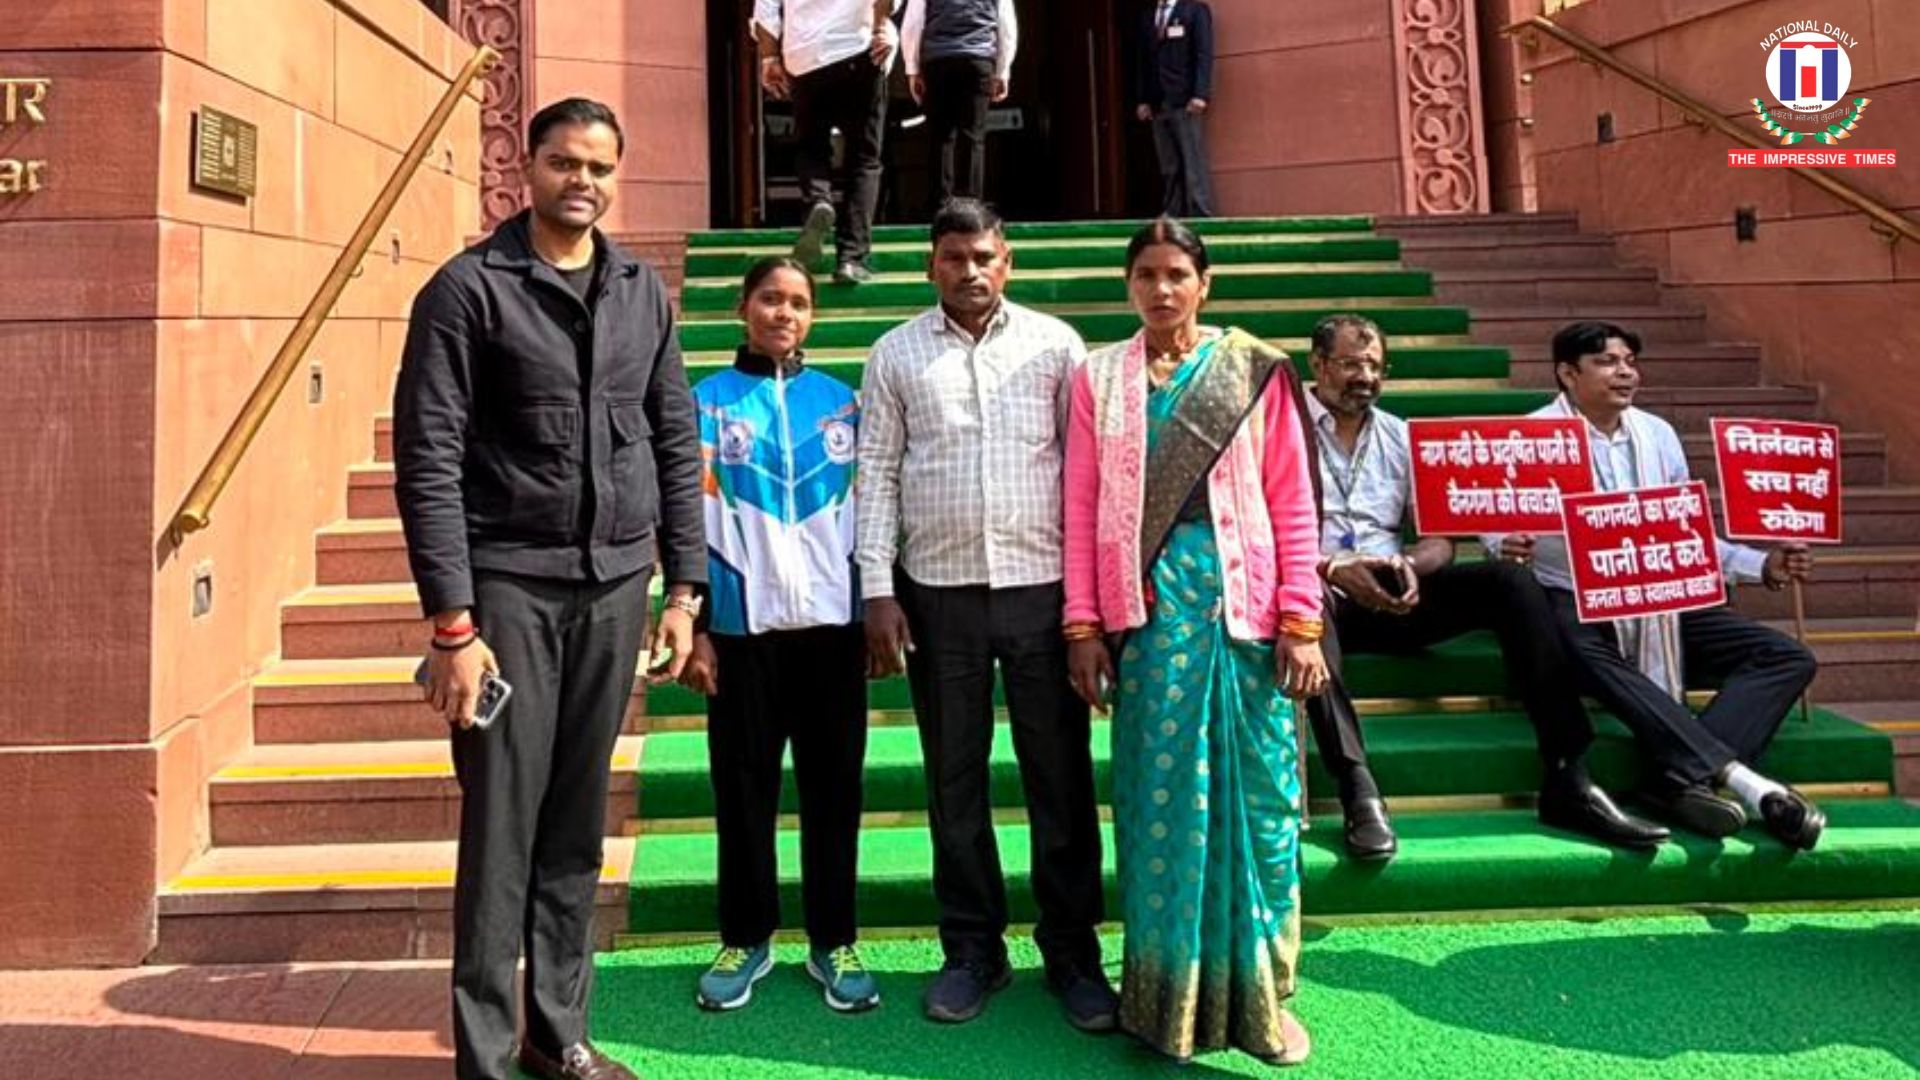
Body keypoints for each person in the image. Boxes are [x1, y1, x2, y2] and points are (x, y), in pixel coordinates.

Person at [393, 98, 705, 1080]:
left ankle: (556, 1036)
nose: (584, 182)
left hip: (614, 586)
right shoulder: (466, 293)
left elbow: (673, 438)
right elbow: (429, 459)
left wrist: (684, 587)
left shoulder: (639, 292)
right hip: (507, 592)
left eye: (601, 168)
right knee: (501, 829)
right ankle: (483, 1059)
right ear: (525, 168)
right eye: (565, 163)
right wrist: (453, 623)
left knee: (575, 824)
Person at [1063, 217, 1325, 1066]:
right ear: (1129, 284)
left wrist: (1300, 616)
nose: (1163, 289)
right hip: (1149, 622)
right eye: (1147, 274)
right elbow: (1078, 508)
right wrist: (1083, 624)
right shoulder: (1100, 379)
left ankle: (1263, 999)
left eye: (1178, 273)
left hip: (1246, 618)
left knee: (1261, 805)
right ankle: (1165, 999)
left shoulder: (1253, 371)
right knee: (1160, 807)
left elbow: (1289, 500)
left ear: (1204, 284)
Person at [855, 198, 1113, 1030]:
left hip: (1043, 594)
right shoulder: (894, 353)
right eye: (954, 258)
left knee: (1061, 781)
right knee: (954, 782)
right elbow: (878, 472)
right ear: (931, 264)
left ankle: (1072, 954)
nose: (970, 271)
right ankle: (973, 950)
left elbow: (1086, 478)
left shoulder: (1055, 346)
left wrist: (1086, 612)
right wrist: (877, 589)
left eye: (985, 257)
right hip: (938, 596)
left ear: (1008, 262)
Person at [1300, 315, 1669, 860]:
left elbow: (1441, 539)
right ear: (1318, 364)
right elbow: (1261, 535)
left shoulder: (1401, 435)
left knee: (1511, 580)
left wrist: (1408, 563)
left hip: (1394, 588)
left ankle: (1569, 773)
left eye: (1375, 366)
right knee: (1306, 604)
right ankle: (1358, 786)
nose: (1365, 377)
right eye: (1352, 364)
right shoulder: (1280, 430)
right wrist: (1330, 567)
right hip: (1319, 584)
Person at [1487, 321, 1826, 850]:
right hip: (1573, 597)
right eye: (1607, 362)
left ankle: (1675, 780)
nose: (1625, 372)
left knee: (1788, 658)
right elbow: (1497, 531)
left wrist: (1762, 566)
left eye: (1629, 361)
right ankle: (1744, 783)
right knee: (1581, 649)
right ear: (1567, 373)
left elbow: (1683, 531)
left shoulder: (1657, 434)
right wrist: (1507, 546)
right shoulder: (1530, 438)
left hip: (1660, 595)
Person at [680, 257, 875, 1013]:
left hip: (833, 633)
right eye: (769, 298)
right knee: (743, 789)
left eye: (797, 302)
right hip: (739, 633)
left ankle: (834, 940)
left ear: (813, 317)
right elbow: (684, 520)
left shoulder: (844, 405)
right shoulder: (705, 402)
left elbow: (872, 513)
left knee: (835, 793)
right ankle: (746, 937)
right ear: (742, 307)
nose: (783, 313)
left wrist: (873, 609)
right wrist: (695, 625)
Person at [754, 0, 903, 284]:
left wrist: (769, 58)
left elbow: (765, 10)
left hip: (804, 59)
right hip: (858, 51)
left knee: (810, 146)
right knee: (863, 159)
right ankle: (851, 258)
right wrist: (882, 26)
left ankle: (818, 202)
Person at [902, 0, 1019, 206]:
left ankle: (940, 206)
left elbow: (913, 21)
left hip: (938, 60)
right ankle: (971, 206)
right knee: (973, 136)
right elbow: (1006, 24)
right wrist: (1002, 70)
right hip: (979, 60)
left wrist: (912, 68)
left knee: (940, 137)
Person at [1132, 0, 1215, 218]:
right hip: (1158, 102)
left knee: (1192, 162)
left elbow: (1203, 55)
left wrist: (1200, 93)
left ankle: (1200, 213)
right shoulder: (1147, 16)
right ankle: (1173, 212)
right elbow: (1142, 61)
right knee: (1168, 164)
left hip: (1185, 100)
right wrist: (1143, 99)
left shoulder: (1195, 11)